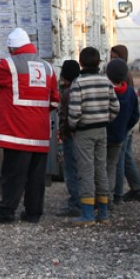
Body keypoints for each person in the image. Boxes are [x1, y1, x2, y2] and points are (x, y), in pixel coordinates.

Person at [0, 28, 59, 224]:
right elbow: (55, 100)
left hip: (16, 131)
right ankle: (33, 213)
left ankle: (6, 212)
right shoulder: (48, 68)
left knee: (13, 175)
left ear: (11, 47)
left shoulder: (9, 64)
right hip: (40, 132)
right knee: (36, 176)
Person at [68, 47, 119, 226]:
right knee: (101, 170)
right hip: (102, 131)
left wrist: (73, 126)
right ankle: (103, 213)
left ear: (81, 62)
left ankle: (87, 214)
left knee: (86, 172)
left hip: (84, 132)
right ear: (99, 63)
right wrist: (105, 119)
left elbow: (74, 110)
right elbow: (115, 107)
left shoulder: (78, 83)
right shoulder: (106, 81)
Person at [104, 59, 140, 217]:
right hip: (119, 136)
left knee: (99, 167)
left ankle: (100, 198)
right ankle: (110, 197)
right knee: (112, 166)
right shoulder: (130, 92)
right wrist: (125, 128)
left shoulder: (105, 90)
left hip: (103, 134)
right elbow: (135, 115)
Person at [109, 45, 140, 204]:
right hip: (125, 127)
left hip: (122, 128)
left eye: (115, 57)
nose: (112, 60)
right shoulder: (124, 75)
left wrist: (124, 125)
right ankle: (137, 189)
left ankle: (117, 194)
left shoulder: (124, 78)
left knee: (119, 160)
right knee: (126, 157)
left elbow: (131, 108)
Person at [57, 59, 81, 217]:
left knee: (71, 169)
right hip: (83, 134)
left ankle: (75, 204)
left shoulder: (67, 92)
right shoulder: (80, 88)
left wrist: (63, 132)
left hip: (71, 135)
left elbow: (65, 116)